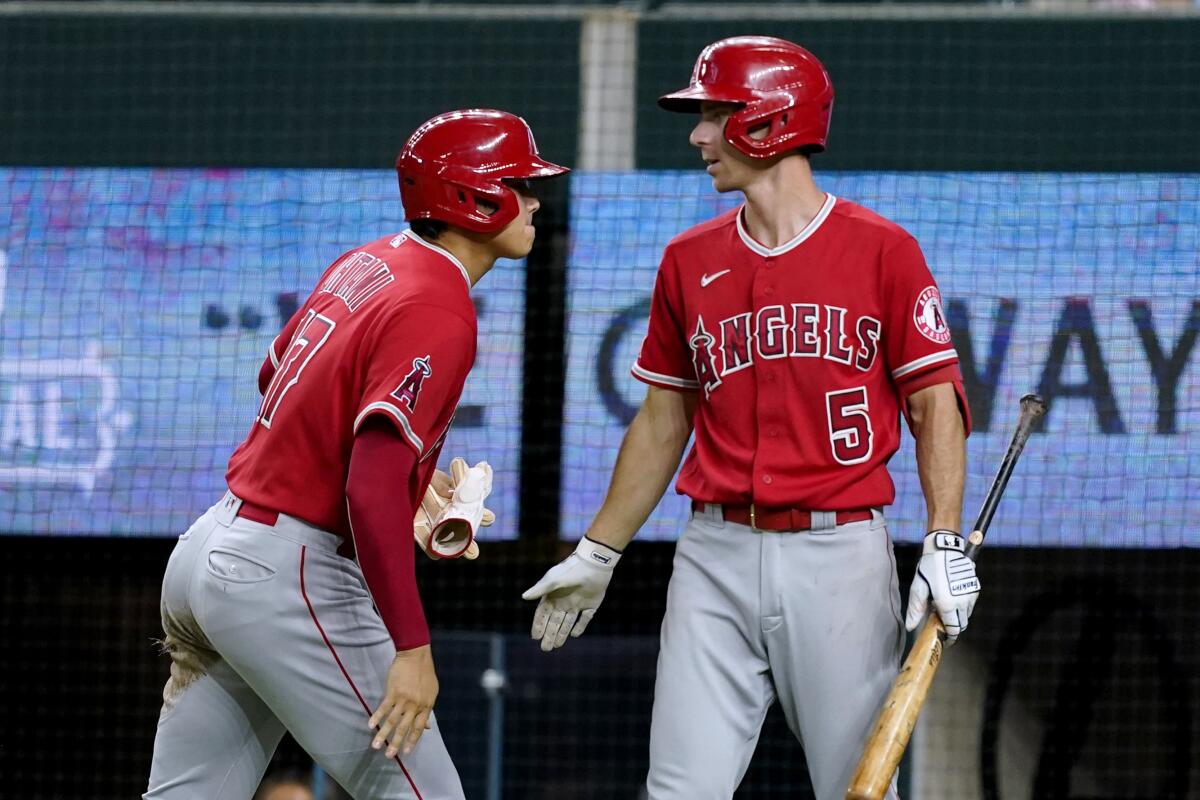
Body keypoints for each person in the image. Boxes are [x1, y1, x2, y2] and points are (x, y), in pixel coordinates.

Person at [523, 36, 977, 800]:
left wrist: (942, 536)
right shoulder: (686, 258)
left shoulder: (884, 251)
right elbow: (664, 418)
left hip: (839, 556)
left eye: (715, 113)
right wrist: (600, 551)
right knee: (676, 793)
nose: (699, 135)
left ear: (771, 120)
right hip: (713, 553)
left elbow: (937, 404)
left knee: (857, 789)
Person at [145, 108, 568, 800]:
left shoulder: (369, 259)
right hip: (285, 574)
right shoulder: (440, 305)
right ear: (472, 196)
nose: (534, 200)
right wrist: (412, 647)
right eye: (520, 183)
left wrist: (414, 495)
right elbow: (368, 489)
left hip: (209, 553)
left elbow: (277, 373)